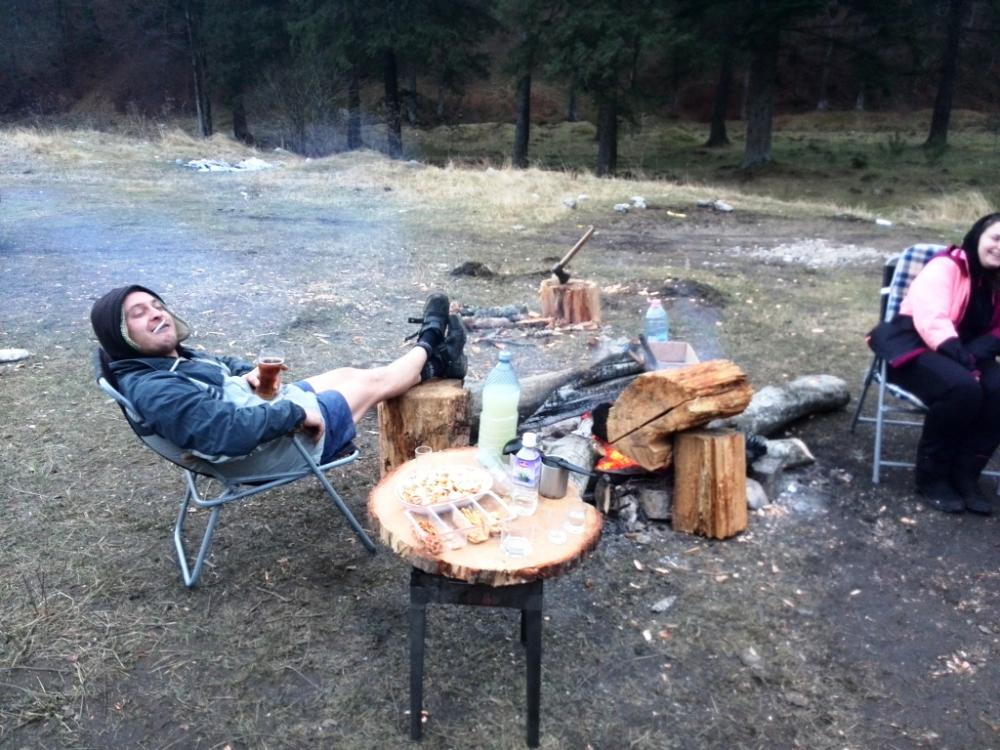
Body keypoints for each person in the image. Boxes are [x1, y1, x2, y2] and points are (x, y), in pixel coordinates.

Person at [90, 285, 466, 478]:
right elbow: (223, 433)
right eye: (139, 314)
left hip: (260, 415)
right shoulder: (155, 388)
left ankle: (435, 364)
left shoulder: (164, 361)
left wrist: (247, 374)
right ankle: (431, 342)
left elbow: (219, 365)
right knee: (376, 382)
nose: (157, 314)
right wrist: (294, 414)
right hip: (274, 449)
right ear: (118, 333)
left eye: (158, 306)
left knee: (349, 374)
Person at [868, 213, 1000, 514]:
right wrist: (966, 362)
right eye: (995, 238)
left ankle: (966, 474)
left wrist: (977, 353)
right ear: (977, 236)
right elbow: (931, 319)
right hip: (917, 344)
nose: (999, 248)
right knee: (963, 389)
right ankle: (932, 476)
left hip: (968, 349)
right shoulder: (945, 267)